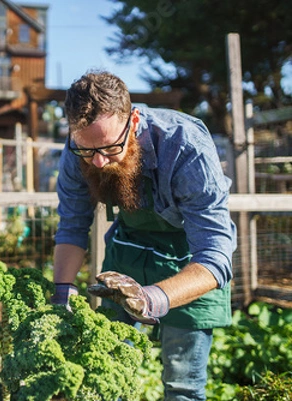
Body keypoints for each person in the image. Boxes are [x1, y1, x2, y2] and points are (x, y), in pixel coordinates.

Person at [50, 70, 237, 401]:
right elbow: (73, 224)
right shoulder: (78, 149)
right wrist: (62, 296)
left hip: (189, 265)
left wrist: (152, 297)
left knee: (183, 385)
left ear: (133, 121)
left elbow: (215, 256)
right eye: (86, 149)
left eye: (110, 148)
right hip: (128, 254)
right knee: (108, 374)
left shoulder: (185, 147)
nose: (98, 161)